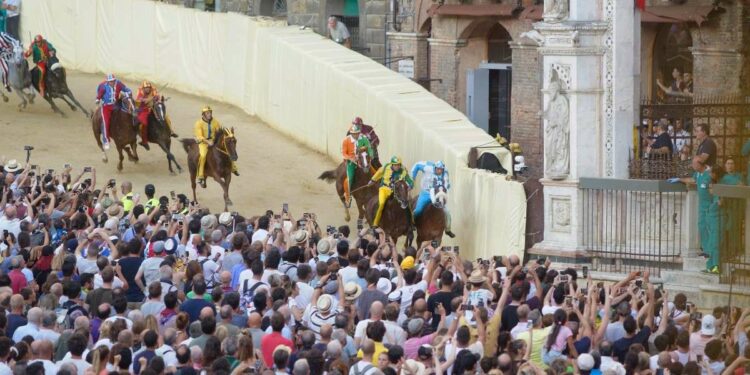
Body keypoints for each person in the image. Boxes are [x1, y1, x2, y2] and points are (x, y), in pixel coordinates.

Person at [193, 106, 238, 187]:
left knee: (227, 150)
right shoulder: (198, 123)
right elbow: (199, 136)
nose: (209, 114)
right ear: (203, 115)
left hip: (214, 141)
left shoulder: (215, 122)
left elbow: (219, 132)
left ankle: (233, 168)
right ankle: (200, 175)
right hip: (204, 142)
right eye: (207, 113)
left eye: (210, 112)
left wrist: (225, 134)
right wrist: (207, 141)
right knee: (203, 155)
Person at [411, 160, 455, 237]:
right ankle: (411, 224)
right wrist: (412, 178)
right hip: (425, 194)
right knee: (418, 210)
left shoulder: (445, 173)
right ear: (435, 168)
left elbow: (446, 184)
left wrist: (446, 187)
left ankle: (448, 229)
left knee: (447, 213)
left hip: (437, 195)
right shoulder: (428, 167)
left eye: (441, 169)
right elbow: (417, 165)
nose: (439, 171)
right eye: (438, 169)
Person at [368, 156, 414, 228]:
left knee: (406, 202)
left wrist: (411, 185)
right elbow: (378, 173)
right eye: (395, 165)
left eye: (398, 164)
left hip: (397, 191)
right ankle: (375, 222)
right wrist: (372, 180)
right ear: (392, 164)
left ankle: (412, 222)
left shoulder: (403, 171)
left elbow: (409, 180)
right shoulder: (386, 167)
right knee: (382, 203)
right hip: (385, 189)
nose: (397, 166)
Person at [135, 80, 178, 150]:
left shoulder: (153, 89)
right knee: (144, 123)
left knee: (165, 116)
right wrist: (145, 100)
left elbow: (157, 97)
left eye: (149, 87)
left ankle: (171, 131)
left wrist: (155, 98)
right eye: (146, 88)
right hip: (144, 109)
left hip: (153, 107)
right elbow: (138, 100)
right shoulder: (140, 91)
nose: (148, 89)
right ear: (143, 88)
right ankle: (144, 141)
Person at [96, 73, 133, 150]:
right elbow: (99, 94)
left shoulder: (119, 84)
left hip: (116, 105)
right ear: (107, 82)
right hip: (106, 107)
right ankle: (106, 140)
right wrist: (97, 99)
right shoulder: (103, 86)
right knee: (105, 122)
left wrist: (127, 93)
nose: (112, 82)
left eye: (113, 81)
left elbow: (127, 90)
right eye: (110, 81)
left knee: (128, 112)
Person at [342, 123, 373, 206]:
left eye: (357, 133)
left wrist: (371, 155)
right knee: (350, 177)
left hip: (363, 159)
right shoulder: (346, 140)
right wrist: (351, 158)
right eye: (354, 133)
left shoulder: (364, 138)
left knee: (373, 171)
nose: (356, 135)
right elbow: (344, 153)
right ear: (351, 133)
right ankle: (348, 196)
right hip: (351, 162)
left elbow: (369, 148)